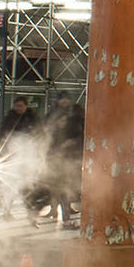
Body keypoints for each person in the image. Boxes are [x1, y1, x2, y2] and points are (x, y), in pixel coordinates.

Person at [43, 91, 85, 227]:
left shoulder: (73, 121)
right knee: (57, 188)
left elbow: (79, 136)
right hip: (56, 161)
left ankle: (64, 215)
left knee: (62, 188)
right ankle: (59, 213)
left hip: (67, 160)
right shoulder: (53, 127)